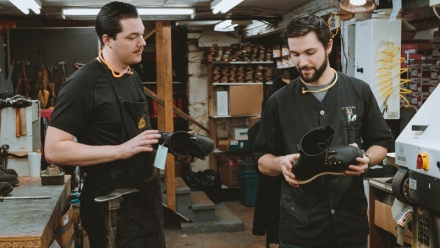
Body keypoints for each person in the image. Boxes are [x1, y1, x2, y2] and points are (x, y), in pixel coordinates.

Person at [45, 2, 194, 247]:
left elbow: (141, 138)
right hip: (110, 207)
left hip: (146, 202)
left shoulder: (132, 77)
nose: (142, 42)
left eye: (142, 34)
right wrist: (119, 150)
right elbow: (54, 149)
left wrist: (171, 147)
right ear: (108, 39)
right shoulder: (82, 84)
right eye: (132, 36)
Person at [253, 13, 393, 248]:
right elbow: (261, 159)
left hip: (349, 225)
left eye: (310, 53)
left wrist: (367, 159)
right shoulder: (278, 102)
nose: (302, 62)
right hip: (300, 227)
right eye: (294, 54)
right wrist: (280, 163)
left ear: (328, 45)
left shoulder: (359, 91)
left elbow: (381, 142)